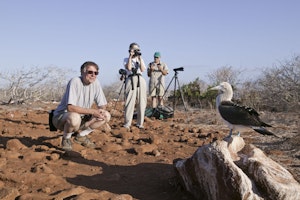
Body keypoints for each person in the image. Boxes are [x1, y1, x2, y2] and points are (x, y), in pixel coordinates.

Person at [52, 61, 111, 151]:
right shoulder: (75, 81)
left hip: (82, 119)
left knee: (106, 115)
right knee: (74, 117)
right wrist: (93, 112)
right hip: (62, 118)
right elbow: (70, 108)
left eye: (96, 73)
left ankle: (81, 136)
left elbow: (102, 104)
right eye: (90, 72)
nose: (93, 75)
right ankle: (66, 138)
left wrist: (101, 112)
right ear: (82, 72)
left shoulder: (96, 83)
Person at [123, 42, 147, 129]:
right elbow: (129, 68)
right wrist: (130, 56)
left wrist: (140, 59)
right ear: (130, 50)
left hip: (140, 79)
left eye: (138, 50)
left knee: (142, 102)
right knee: (130, 101)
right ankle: (127, 123)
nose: (136, 51)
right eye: (135, 49)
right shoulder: (126, 59)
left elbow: (143, 69)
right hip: (131, 79)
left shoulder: (140, 59)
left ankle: (140, 123)